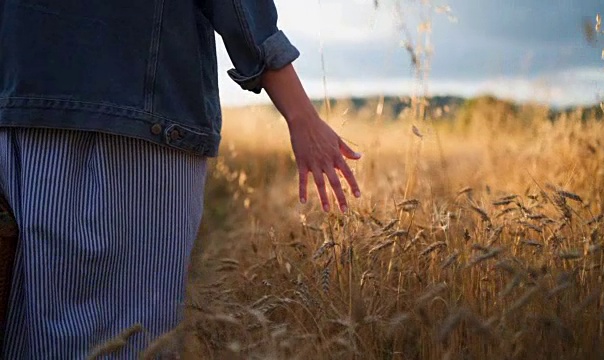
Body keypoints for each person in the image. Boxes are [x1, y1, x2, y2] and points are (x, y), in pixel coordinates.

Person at [0, 0, 361, 358]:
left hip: (20, 109)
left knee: (31, 333)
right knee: (135, 337)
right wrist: (300, 112)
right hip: (143, 122)